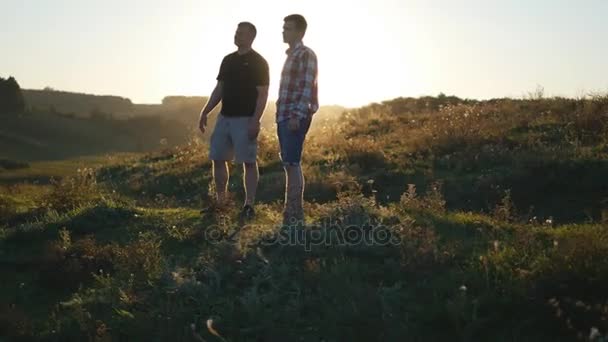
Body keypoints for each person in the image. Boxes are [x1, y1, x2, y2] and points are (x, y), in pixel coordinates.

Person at [199, 22, 269, 219]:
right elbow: (220, 88)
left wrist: (256, 121)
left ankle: (249, 205)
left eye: (241, 33)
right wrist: (205, 111)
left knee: (248, 161)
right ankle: (221, 202)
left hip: (245, 119)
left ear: (251, 37)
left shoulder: (259, 62)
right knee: (218, 158)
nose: (237, 35)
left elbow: (263, 94)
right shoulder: (228, 60)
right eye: (236, 32)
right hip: (224, 118)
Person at [276, 14, 319, 225]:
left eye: (289, 28)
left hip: (294, 116)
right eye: (284, 28)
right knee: (288, 163)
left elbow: (306, 86)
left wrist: (296, 115)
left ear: (300, 32)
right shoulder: (290, 55)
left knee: (292, 163)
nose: (284, 31)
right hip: (283, 115)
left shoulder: (305, 54)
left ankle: (294, 213)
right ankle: (291, 210)